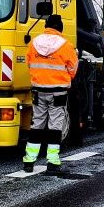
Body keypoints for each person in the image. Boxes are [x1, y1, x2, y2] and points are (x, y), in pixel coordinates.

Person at [23, 14, 79, 175]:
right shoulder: (66, 45)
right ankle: (52, 162)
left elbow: (29, 63)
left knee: (37, 124)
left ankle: (29, 161)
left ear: (46, 26)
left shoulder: (34, 43)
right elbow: (73, 68)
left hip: (38, 90)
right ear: (60, 28)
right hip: (58, 92)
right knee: (55, 126)